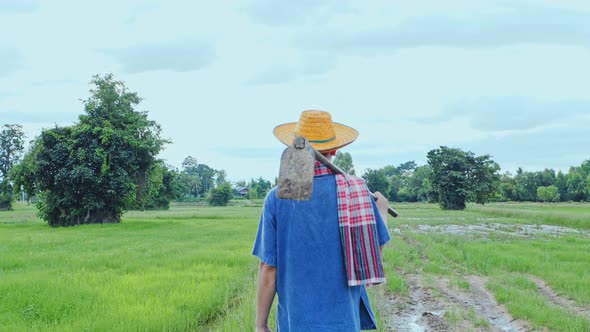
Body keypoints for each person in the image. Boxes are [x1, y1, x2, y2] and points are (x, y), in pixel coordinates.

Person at [252, 110, 391, 331]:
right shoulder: (356, 191)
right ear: (335, 149)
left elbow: (268, 268)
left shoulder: (277, 197)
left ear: (295, 148)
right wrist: (381, 211)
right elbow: (373, 251)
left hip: (295, 323)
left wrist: (261, 325)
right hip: (345, 323)